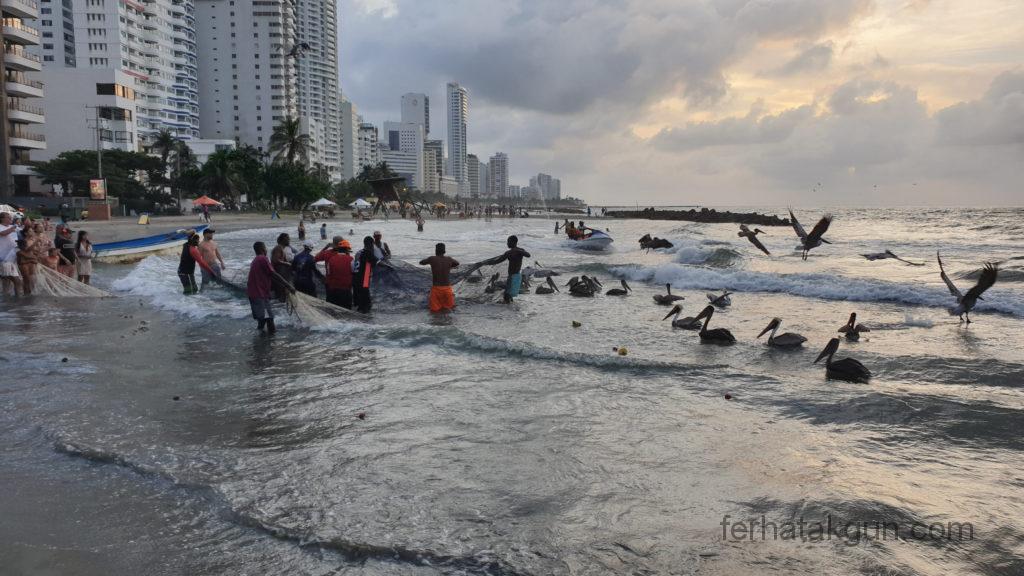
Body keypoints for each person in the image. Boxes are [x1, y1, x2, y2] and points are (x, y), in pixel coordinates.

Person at [247, 241, 293, 333]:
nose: (266, 249)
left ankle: (259, 342)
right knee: (269, 319)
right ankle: (271, 344)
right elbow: (273, 274)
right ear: (262, 249)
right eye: (265, 247)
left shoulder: (256, 260)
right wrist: (288, 285)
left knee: (262, 319)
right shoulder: (263, 259)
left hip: (255, 294)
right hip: (260, 295)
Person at [477, 235, 530, 304]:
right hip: (514, 276)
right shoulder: (508, 253)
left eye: (508, 242)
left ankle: (508, 312)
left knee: (507, 296)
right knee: (508, 296)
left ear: (514, 242)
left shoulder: (519, 251)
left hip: (514, 277)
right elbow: (497, 261)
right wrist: (484, 263)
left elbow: (528, 255)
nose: (507, 244)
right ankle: (510, 312)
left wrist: (517, 250)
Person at [315, 236, 354, 309]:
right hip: (345, 285)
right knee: (346, 308)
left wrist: (325, 247)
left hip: (330, 284)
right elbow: (351, 271)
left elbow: (315, 258)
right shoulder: (348, 256)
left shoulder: (326, 253)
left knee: (331, 306)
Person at [420, 243, 459, 313]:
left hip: (436, 289)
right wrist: (449, 266)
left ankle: (437, 323)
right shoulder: (449, 259)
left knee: (434, 312)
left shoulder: (432, 258)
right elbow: (457, 263)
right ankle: (447, 322)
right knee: (449, 310)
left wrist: (430, 261)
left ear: (436, 251)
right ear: (444, 251)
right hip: (447, 289)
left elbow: (421, 262)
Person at [352, 236, 379, 313]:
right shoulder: (367, 252)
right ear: (371, 244)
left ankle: (359, 316)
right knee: (366, 303)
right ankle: (365, 321)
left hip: (355, 278)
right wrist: (389, 267)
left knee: (359, 302)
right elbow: (378, 263)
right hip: (363, 279)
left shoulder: (358, 252)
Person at [0, 213, 22, 296]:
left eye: (11, 218)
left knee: (7, 282)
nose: (10, 219)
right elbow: (3, 233)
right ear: (2, 219)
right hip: (4, 258)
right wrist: (13, 227)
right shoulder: (2, 227)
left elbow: (22, 235)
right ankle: (18, 300)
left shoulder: (12, 227)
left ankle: (8, 302)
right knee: (17, 280)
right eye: (8, 218)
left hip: (13, 257)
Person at [270, 233, 293, 301]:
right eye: (288, 239)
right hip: (277, 277)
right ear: (283, 240)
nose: (289, 240)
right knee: (280, 297)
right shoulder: (278, 248)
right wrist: (287, 264)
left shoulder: (282, 248)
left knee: (282, 297)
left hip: (280, 277)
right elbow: (275, 260)